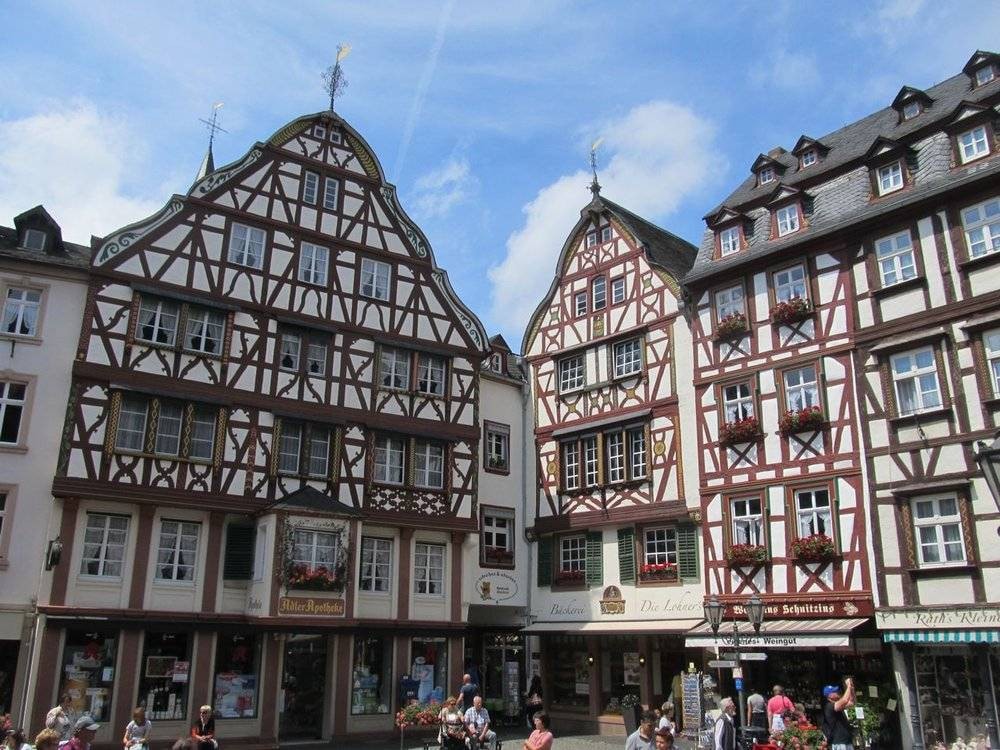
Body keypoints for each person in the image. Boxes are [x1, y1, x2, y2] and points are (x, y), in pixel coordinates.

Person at [821, 678, 856, 750]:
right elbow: (845, 700)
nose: (837, 692)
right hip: (839, 743)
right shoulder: (829, 706)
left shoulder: (836, 705)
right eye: (835, 691)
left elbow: (852, 702)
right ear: (830, 695)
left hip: (846, 741)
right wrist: (848, 686)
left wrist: (851, 689)